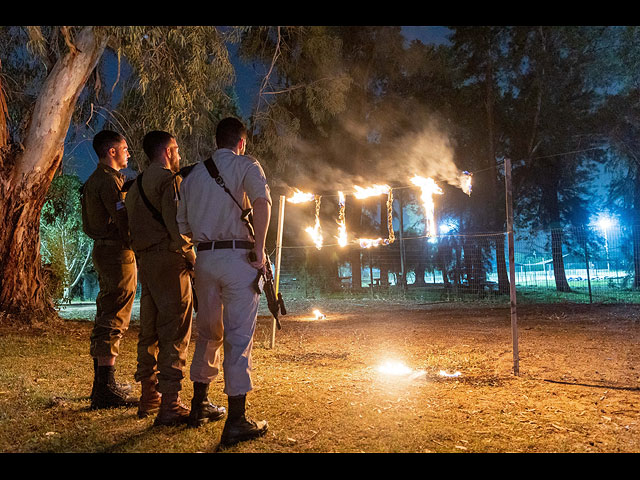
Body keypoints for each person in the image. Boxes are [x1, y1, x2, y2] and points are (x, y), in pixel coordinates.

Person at [177, 117, 271, 446]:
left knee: (208, 332)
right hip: (238, 258)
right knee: (238, 337)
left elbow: (183, 225)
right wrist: (258, 249)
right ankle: (236, 420)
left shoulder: (192, 176)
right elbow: (261, 203)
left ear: (216, 141)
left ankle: (199, 404)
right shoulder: (248, 165)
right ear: (241, 143)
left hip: (204, 259)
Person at [124, 131, 225, 427]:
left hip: (145, 263)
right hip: (170, 263)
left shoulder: (134, 186)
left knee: (149, 331)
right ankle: (170, 403)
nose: (179, 154)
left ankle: (149, 395)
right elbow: (177, 227)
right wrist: (193, 259)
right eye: (177, 149)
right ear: (168, 151)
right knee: (174, 331)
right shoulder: (169, 182)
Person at [81, 130, 137, 410]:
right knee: (115, 314)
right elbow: (124, 220)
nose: (128, 153)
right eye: (124, 148)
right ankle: (106, 387)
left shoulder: (93, 180)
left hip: (103, 250)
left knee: (105, 309)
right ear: (111, 151)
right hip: (117, 252)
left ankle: (101, 385)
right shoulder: (109, 181)